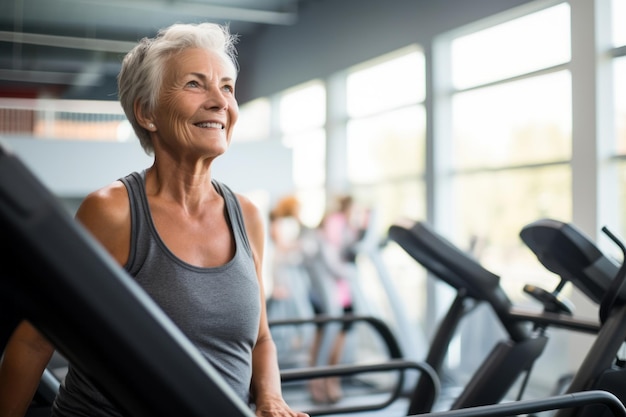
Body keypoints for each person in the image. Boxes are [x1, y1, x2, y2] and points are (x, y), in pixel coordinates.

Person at [0, 22, 308, 417]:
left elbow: (260, 338)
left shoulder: (247, 216)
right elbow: (34, 341)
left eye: (227, 87)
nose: (220, 102)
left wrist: (269, 398)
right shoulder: (113, 211)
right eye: (196, 84)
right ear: (147, 113)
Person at [306, 195, 364, 404]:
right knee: (328, 337)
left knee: (328, 336)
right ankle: (323, 382)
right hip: (330, 294)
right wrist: (351, 272)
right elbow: (332, 261)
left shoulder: (344, 225)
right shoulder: (336, 222)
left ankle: (324, 382)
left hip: (340, 293)